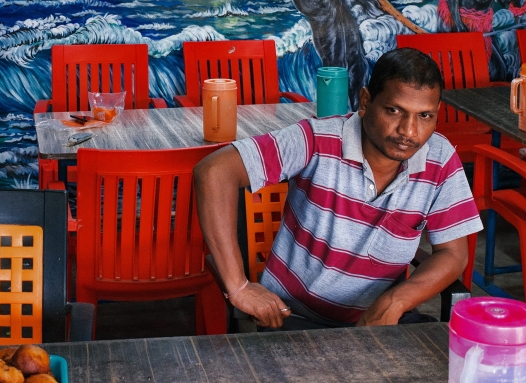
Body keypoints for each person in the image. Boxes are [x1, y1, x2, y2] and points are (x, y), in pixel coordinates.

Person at [194, 48, 481, 329]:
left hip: (377, 324)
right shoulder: (316, 140)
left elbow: (454, 254)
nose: (409, 130)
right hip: (292, 319)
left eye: (425, 116)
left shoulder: (439, 158)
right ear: (365, 101)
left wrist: (396, 301)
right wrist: (239, 287)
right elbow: (213, 171)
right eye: (394, 110)